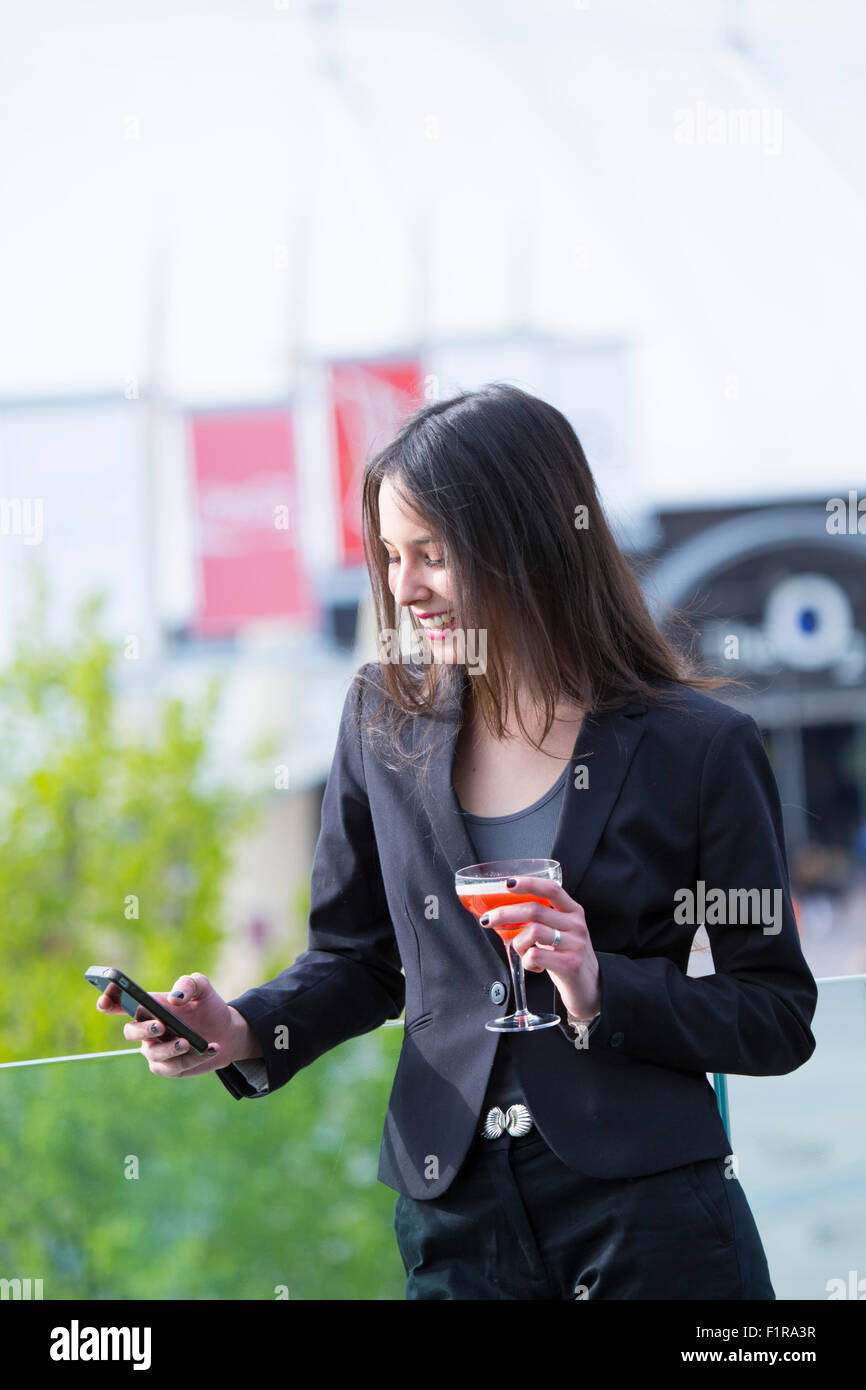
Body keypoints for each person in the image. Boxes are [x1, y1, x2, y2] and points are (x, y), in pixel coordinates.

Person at [98, 382, 818, 1300]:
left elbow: (777, 1015)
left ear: (529, 542)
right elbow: (360, 962)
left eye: (433, 553)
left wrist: (602, 986)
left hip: (654, 1220)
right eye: (391, 556)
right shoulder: (379, 718)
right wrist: (241, 1029)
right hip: (454, 1218)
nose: (404, 588)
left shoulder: (698, 746)